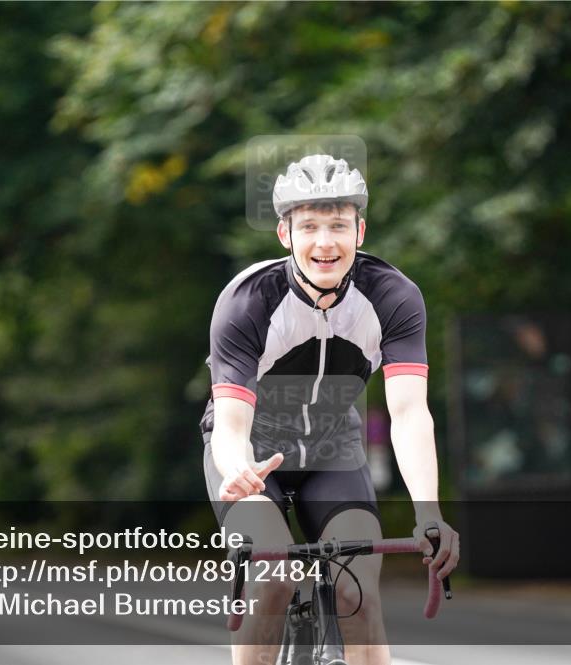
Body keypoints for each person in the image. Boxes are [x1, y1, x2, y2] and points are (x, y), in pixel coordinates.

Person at [201, 154, 459, 665]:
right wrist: (238, 470)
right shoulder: (248, 301)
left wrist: (428, 511)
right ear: (285, 234)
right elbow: (230, 424)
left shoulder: (392, 296)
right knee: (274, 580)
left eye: (338, 225)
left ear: (360, 231)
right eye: (309, 227)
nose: (325, 243)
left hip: (333, 452)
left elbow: (409, 413)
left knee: (357, 591)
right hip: (253, 458)